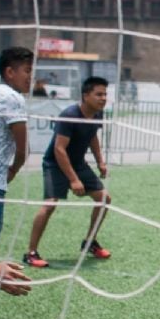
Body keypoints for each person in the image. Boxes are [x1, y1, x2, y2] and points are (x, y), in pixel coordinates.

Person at [23, 76, 112, 268]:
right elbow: (59, 149)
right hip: (55, 164)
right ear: (85, 96)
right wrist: (73, 180)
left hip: (78, 163)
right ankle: (30, 253)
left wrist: (100, 162)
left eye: (105, 94)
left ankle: (89, 242)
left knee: (104, 199)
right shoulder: (69, 114)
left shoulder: (97, 114)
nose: (103, 98)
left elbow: (92, 137)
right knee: (49, 205)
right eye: (99, 94)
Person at [0, 46, 33, 319]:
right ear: (9, 72)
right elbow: (23, 145)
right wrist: (13, 170)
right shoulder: (13, 98)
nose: (30, 77)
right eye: (27, 71)